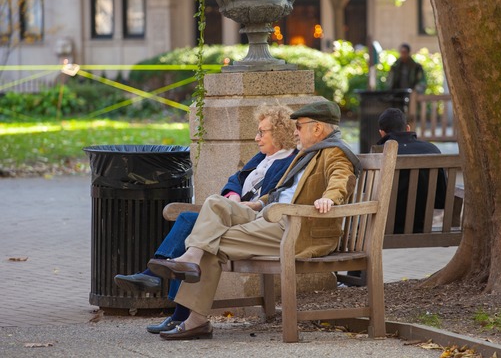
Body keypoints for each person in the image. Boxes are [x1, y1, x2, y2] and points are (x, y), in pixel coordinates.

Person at [146, 100, 362, 341]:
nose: (295, 131)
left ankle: (195, 317)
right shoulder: (309, 153)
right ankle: (191, 259)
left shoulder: (336, 152)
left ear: (318, 128)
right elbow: (285, 190)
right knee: (216, 202)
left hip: (296, 228)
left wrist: (330, 199)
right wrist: (258, 203)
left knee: (211, 240)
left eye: (299, 126)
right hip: (271, 215)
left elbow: (341, 178)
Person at [114, 104, 298, 333]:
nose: (256, 137)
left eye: (262, 132)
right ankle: (175, 304)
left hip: (255, 218)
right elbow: (236, 179)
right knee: (189, 221)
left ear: (280, 132)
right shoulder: (262, 157)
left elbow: (275, 196)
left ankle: (159, 284)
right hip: (235, 210)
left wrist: (245, 203)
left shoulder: (290, 161)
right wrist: (233, 195)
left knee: (194, 229)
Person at [377, 107, 447, 233]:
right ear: (408, 128)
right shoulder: (432, 150)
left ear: (382, 133)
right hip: (422, 226)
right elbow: (442, 198)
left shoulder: (379, 153)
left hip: (385, 228)